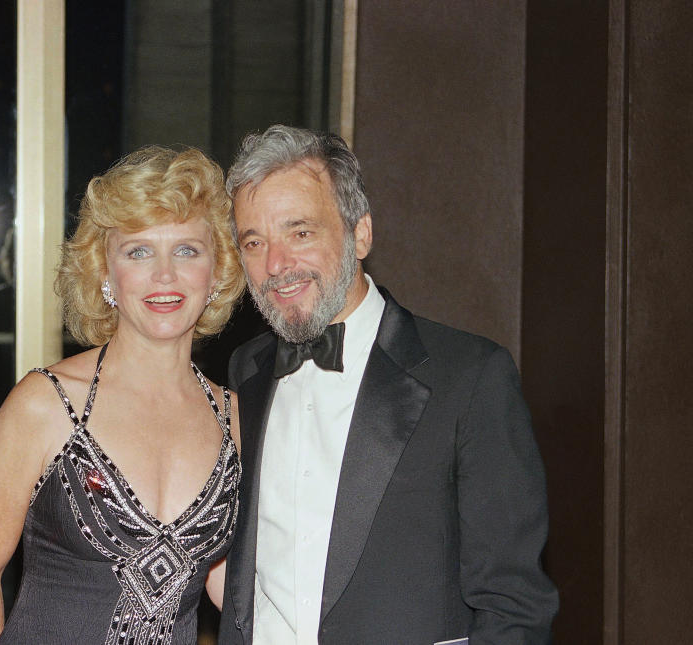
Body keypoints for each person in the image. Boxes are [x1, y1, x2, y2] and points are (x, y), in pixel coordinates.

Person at [218, 125, 558, 644]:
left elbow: (514, 606)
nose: (276, 265)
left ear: (360, 234)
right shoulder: (248, 370)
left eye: (300, 232)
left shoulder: (469, 376)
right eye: (254, 241)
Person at [0, 146, 245, 645]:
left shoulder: (234, 416)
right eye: (138, 252)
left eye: (187, 250)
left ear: (216, 272)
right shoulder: (46, 403)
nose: (165, 275)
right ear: (105, 273)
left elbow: (229, 587)